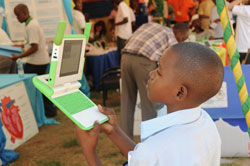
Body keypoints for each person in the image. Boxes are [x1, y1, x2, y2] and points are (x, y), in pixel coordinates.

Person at [76, 42, 223, 165]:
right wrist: (115, 132)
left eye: (159, 72)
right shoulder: (206, 123)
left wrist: (90, 152)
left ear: (180, 92)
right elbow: (145, 157)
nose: (151, 74)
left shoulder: (154, 150)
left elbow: (148, 156)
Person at [121, 22, 189, 139]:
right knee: (149, 103)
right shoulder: (170, 35)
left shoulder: (150, 25)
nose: (181, 42)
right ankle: (150, 140)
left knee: (127, 101)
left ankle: (124, 141)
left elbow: (128, 41)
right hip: (144, 62)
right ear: (178, 32)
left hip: (126, 58)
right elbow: (173, 60)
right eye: (183, 38)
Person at [12, 4, 56, 117]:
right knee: (43, 87)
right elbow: (30, 43)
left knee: (34, 87)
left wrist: (19, 56)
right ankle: (49, 111)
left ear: (25, 13)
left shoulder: (31, 26)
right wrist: (17, 46)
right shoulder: (31, 24)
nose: (17, 18)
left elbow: (34, 47)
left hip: (36, 62)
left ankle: (46, 111)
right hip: (40, 60)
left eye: (18, 15)